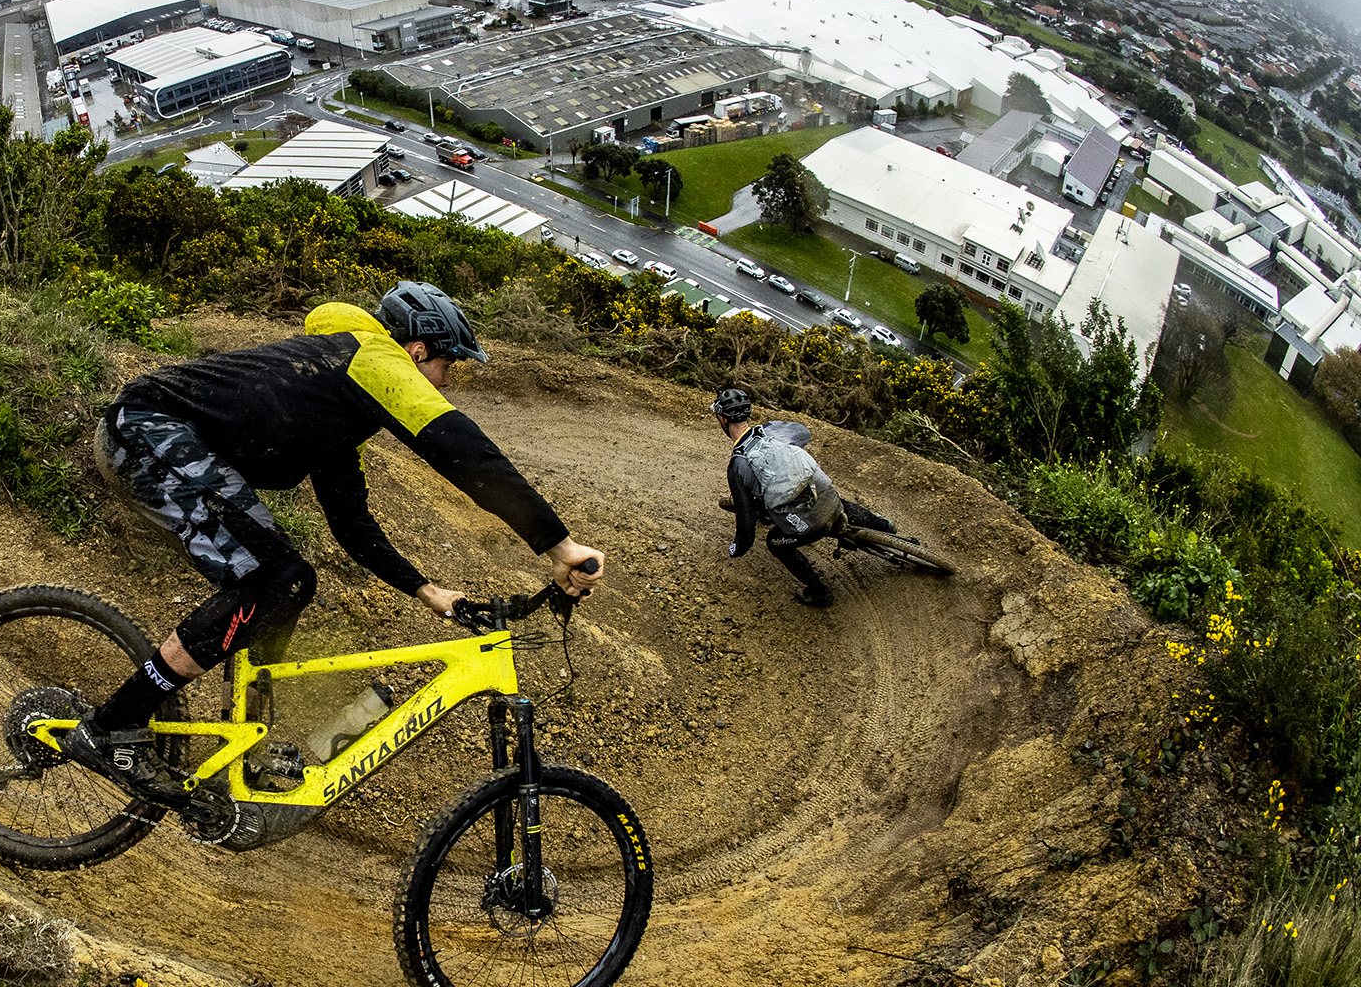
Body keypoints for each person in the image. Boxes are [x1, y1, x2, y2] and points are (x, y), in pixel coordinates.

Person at [63, 280, 607, 810]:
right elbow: (463, 452)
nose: (444, 384)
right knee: (274, 578)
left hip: (159, 435)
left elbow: (351, 524)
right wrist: (558, 546)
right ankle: (113, 725)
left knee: (289, 585)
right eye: (447, 367)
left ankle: (246, 735)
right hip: (149, 429)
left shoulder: (340, 403)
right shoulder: (370, 360)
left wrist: (428, 591)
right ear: (416, 351)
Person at [712, 387, 895, 607]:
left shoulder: (738, 465)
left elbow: (746, 523)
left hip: (810, 525)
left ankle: (820, 593)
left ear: (723, 419)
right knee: (837, 503)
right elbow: (803, 433)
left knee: (775, 543)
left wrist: (737, 548)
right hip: (826, 495)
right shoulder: (771, 431)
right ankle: (887, 527)